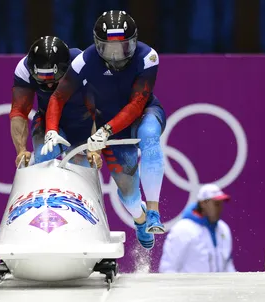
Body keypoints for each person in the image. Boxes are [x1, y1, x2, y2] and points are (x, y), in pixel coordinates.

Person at [40, 10, 166, 250]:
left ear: (135, 43)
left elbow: (137, 103)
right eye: (109, 49)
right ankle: (140, 219)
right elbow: (57, 97)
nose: (116, 56)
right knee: (128, 193)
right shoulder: (83, 61)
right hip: (110, 129)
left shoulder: (148, 57)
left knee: (149, 136)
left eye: (123, 48)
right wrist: (51, 130)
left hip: (142, 116)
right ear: (98, 46)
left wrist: (106, 130)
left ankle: (152, 212)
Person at [9, 36, 102, 169]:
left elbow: (98, 110)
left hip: (84, 125)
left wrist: (94, 150)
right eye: (42, 78)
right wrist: (21, 151)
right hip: (47, 122)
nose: (49, 84)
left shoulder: (83, 65)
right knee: (43, 158)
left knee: (83, 167)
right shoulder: (24, 69)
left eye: (54, 77)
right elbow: (19, 112)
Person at [159, 184, 236, 273]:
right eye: (216, 204)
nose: (220, 208)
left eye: (221, 204)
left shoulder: (223, 228)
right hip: (190, 287)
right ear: (203, 204)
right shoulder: (183, 229)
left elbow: (228, 266)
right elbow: (167, 268)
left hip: (220, 287)